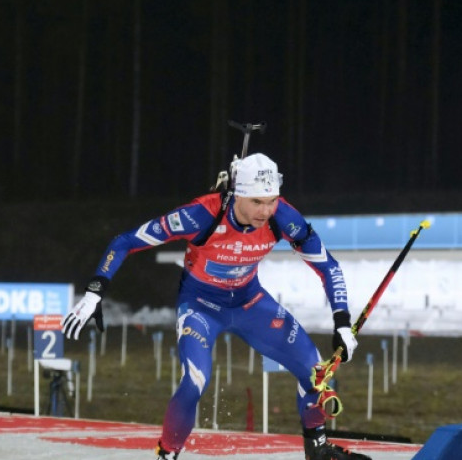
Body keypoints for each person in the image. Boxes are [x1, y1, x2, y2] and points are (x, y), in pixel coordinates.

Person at [61, 153, 371, 460]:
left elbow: (328, 266)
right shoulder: (200, 215)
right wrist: (94, 292)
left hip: (250, 303)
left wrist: (342, 321)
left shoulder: (283, 217)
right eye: (257, 202)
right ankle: (166, 455)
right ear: (238, 194)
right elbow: (124, 241)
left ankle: (316, 451)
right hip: (201, 306)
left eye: (271, 200)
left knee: (315, 371)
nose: (266, 211)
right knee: (195, 380)